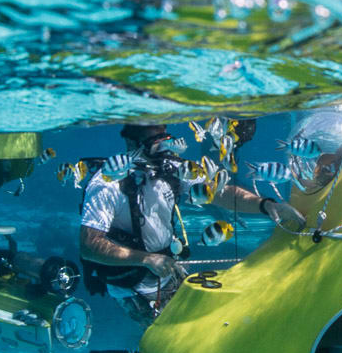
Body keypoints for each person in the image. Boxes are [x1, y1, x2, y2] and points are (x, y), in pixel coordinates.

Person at [80, 123, 304, 325]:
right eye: (154, 137)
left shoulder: (171, 168)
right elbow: (89, 244)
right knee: (182, 337)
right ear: (131, 141)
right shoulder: (107, 183)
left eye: (164, 133)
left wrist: (266, 205)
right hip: (134, 287)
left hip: (168, 267)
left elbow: (220, 192)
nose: (164, 143)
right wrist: (146, 259)